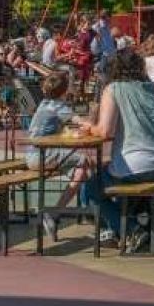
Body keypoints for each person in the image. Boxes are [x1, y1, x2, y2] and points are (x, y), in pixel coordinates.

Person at [80, 51, 154, 250]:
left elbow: (105, 131)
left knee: (91, 188)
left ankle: (129, 229)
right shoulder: (151, 88)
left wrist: (88, 128)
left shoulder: (114, 88)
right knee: (113, 173)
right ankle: (124, 228)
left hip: (139, 164)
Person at [22, 70, 93, 240]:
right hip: (40, 154)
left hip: (37, 154)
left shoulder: (44, 104)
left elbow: (63, 128)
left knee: (81, 170)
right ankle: (94, 210)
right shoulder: (58, 106)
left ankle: (54, 214)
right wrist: (95, 118)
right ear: (64, 90)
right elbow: (82, 122)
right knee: (86, 159)